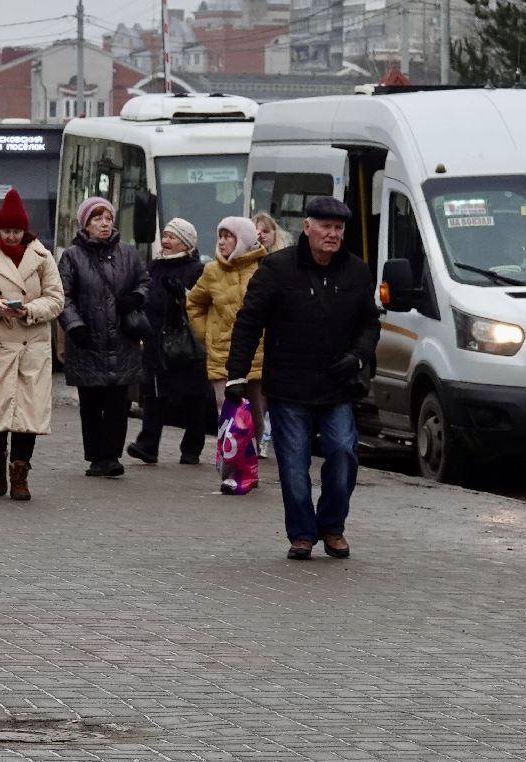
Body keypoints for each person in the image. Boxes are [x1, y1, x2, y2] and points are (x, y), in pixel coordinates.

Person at [225, 196, 379, 561]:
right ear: (307, 227)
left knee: (343, 453)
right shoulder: (278, 268)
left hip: (336, 385)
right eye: (325, 227)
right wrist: (236, 374)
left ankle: (332, 527)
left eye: (339, 228)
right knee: (294, 464)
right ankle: (302, 534)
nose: (332, 234)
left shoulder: (356, 271)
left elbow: (370, 323)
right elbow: (249, 321)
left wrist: (358, 357)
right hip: (289, 387)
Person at [0, 189, 65, 500]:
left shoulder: (43, 258)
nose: (10, 236)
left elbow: (56, 299)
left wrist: (30, 310)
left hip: (31, 346)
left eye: (16, 230)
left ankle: (20, 473)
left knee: (27, 414)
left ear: (25, 230)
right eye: (6, 230)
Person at [57, 196, 148, 478]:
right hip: (87, 342)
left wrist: (136, 297)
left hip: (121, 342)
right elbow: (63, 295)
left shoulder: (128, 254)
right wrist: (75, 326)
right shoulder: (72, 257)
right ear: (86, 224)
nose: (104, 224)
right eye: (97, 219)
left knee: (118, 403)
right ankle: (95, 455)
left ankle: (111, 457)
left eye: (108, 218)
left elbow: (145, 282)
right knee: (92, 404)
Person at [126, 218, 210, 466]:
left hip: (187, 343)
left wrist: (182, 296)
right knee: (154, 393)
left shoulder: (197, 270)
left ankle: (192, 448)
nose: (166, 241)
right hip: (155, 340)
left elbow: (200, 303)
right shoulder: (153, 267)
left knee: (194, 396)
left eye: (172, 237)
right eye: (165, 235)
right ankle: (147, 445)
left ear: (186, 243)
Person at [188, 215, 268, 451]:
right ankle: (232, 468)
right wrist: (206, 335)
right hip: (222, 354)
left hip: (257, 355)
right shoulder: (212, 271)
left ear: (243, 239)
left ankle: (249, 462)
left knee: (256, 417)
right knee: (228, 413)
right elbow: (194, 303)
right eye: (220, 237)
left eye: (228, 237)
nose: (222, 242)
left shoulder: (263, 269)